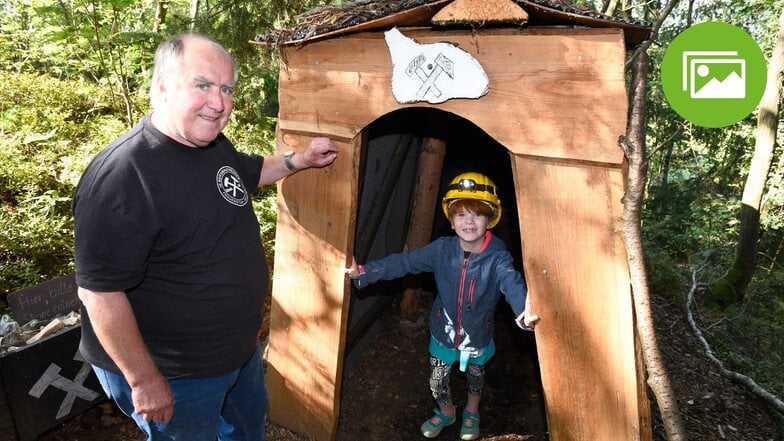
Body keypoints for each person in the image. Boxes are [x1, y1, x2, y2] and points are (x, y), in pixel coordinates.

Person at [72, 33, 339, 441]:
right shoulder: (123, 179)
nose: (219, 103)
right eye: (202, 85)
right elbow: (100, 294)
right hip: (175, 373)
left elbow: (247, 174)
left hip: (237, 353)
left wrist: (299, 160)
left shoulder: (209, 144)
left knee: (247, 429)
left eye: (226, 88)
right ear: (161, 86)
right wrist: (144, 381)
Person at [346, 171, 538, 440]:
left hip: (478, 336)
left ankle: (472, 412)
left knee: (475, 379)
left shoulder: (498, 258)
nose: (468, 221)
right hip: (442, 332)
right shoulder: (441, 250)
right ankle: (447, 412)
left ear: (490, 219)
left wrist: (523, 312)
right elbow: (405, 262)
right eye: (461, 214)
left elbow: (512, 284)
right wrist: (365, 271)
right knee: (437, 382)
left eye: (477, 214)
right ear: (451, 220)